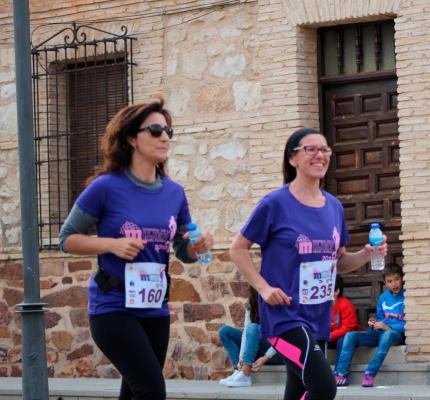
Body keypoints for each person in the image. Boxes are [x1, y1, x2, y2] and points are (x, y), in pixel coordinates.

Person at [58, 97, 213, 400]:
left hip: (155, 308)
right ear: (131, 138)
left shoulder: (174, 192)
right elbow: (67, 238)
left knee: (135, 392)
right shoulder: (106, 187)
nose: (164, 136)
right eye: (155, 130)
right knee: (151, 390)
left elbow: (183, 249)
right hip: (113, 307)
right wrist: (112, 244)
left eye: (168, 130)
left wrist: (197, 247)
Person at [229, 127, 387, 400]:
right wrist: (264, 289)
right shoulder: (275, 203)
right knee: (324, 388)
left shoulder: (334, 207)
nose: (320, 155)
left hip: (318, 317)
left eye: (324, 149)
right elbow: (238, 249)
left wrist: (366, 254)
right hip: (284, 317)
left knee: (299, 390)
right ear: (293, 159)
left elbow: (337, 262)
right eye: (310, 149)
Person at [334, 263, 405, 388]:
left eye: (397, 279)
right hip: (380, 332)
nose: (394, 284)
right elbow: (380, 318)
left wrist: (388, 328)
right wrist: (373, 324)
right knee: (350, 336)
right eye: (390, 281)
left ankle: (370, 373)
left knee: (387, 335)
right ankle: (341, 373)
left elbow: (408, 322)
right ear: (385, 283)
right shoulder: (383, 298)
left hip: (395, 333)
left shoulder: (407, 296)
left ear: (402, 278)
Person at [218, 287, 283, 387]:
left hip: (277, 352)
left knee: (253, 327)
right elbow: (246, 333)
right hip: (256, 349)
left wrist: (266, 357)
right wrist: (241, 357)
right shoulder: (252, 304)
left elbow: (284, 336)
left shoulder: (277, 302)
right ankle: (238, 371)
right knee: (225, 331)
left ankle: (245, 374)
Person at [328, 275, 362, 365]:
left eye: (327, 288)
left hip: (350, 336)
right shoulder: (324, 306)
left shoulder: (346, 305)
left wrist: (330, 335)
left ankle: (339, 373)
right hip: (334, 335)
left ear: (336, 291)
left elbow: (348, 328)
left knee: (342, 341)